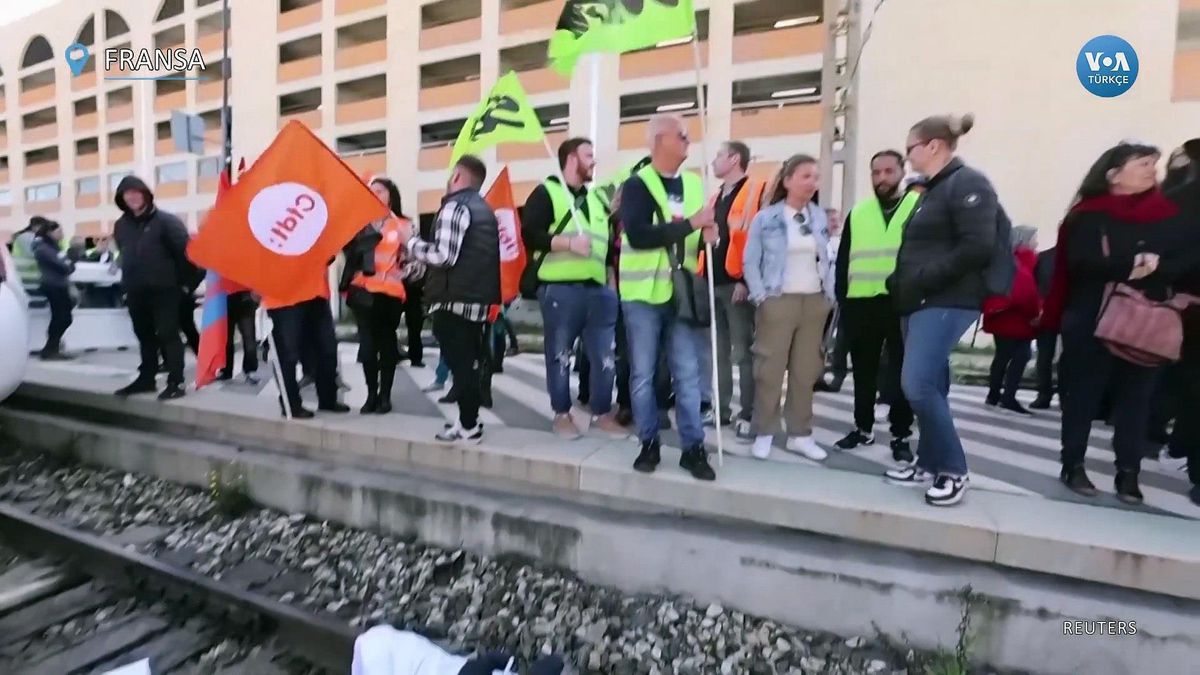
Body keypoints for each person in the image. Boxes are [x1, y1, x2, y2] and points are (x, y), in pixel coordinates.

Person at [1041, 143, 1178, 504]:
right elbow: (1079, 265)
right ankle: (1073, 464)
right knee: (1083, 396)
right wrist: (1132, 266)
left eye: (1154, 163)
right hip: (1091, 316)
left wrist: (1159, 272)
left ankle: (1128, 473)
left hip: (1143, 319)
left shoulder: (1166, 214)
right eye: (1143, 163)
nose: (1152, 169)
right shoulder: (1088, 215)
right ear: (1113, 175)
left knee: (1137, 399)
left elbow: (1178, 263)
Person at [884, 113, 998, 507]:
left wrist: (923, 279)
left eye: (910, 148)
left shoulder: (968, 184)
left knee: (916, 384)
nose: (908, 156)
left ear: (933, 145)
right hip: (919, 300)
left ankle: (953, 469)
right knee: (934, 384)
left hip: (946, 300)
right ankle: (929, 462)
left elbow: (977, 246)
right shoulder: (933, 189)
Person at [619, 114, 718, 481]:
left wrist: (711, 234)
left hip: (681, 295)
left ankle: (693, 448)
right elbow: (639, 235)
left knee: (688, 374)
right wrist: (692, 224)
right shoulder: (637, 185)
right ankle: (648, 442)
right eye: (682, 135)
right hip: (643, 295)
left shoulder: (694, 184)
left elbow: (700, 231)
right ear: (660, 140)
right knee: (643, 375)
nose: (689, 141)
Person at [521, 137, 624, 438]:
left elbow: (604, 249)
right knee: (560, 355)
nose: (594, 161)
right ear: (570, 159)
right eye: (588, 155)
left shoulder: (596, 201)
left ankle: (602, 412)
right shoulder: (547, 193)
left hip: (599, 292)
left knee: (605, 358)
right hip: (560, 289)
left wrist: (611, 288)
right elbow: (530, 234)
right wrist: (567, 243)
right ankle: (562, 414)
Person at [741, 154, 836, 462]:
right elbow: (750, 260)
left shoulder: (819, 216)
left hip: (813, 301)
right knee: (769, 369)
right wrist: (760, 295)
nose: (812, 182)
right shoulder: (766, 218)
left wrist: (829, 294)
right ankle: (765, 430)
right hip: (778, 300)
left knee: (805, 370)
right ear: (788, 181)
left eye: (816, 177)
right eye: (806, 176)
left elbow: (827, 257)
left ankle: (800, 434)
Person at [401, 154, 500, 443]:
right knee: (466, 363)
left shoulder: (455, 207)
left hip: (454, 301)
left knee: (461, 365)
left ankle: (469, 426)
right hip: (475, 300)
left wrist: (411, 242)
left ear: (457, 176)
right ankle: (467, 421)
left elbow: (444, 256)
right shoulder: (484, 209)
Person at [832, 150, 918, 463]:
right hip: (861, 303)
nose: (881, 178)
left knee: (901, 372)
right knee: (864, 372)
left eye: (888, 171)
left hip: (901, 303)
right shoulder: (859, 212)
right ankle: (863, 427)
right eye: (876, 173)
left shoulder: (916, 208)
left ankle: (900, 434)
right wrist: (843, 300)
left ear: (902, 172)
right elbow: (844, 261)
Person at [701, 141, 765, 437]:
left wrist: (746, 281)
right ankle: (721, 409)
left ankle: (748, 412)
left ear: (735, 159)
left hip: (737, 284)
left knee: (743, 352)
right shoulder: (715, 197)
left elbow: (757, 240)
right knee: (719, 352)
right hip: (713, 280)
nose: (714, 162)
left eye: (718, 155)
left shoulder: (755, 190)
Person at [111, 175, 192, 400]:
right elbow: (125, 255)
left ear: (146, 195)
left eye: (137, 192)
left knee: (168, 334)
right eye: (128, 194)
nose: (133, 197)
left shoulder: (166, 221)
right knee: (144, 335)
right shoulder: (121, 226)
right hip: (136, 291)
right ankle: (146, 378)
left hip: (166, 290)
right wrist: (126, 288)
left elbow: (189, 256)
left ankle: (176, 382)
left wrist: (186, 286)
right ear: (122, 199)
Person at [342, 177, 419, 415]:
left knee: (387, 346)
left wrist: (404, 268)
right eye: (371, 190)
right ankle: (371, 394)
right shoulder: (358, 224)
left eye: (380, 191)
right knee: (367, 348)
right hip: (363, 293)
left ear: (391, 195)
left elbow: (417, 263)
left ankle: (385, 396)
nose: (375, 194)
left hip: (390, 294)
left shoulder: (404, 225)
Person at [264, 263, 348, 419]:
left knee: (327, 349)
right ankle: (291, 404)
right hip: (284, 297)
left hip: (316, 294)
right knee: (288, 354)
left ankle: (328, 399)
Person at [982, 226, 1041, 415]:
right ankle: (1008, 397)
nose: (1036, 243)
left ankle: (993, 395)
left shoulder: (1002, 259)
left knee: (1001, 356)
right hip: (1019, 320)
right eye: (1034, 239)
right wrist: (1035, 315)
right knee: (1021, 357)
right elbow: (1026, 291)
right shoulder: (1026, 259)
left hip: (1000, 317)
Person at [31, 219, 75, 360]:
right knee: (62, 317)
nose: (62, 234)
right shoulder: (44, 248)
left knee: (62, 317)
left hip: (58, 285)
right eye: (59, 231)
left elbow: (67, 264)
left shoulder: (53, 247)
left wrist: (68, 263)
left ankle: (51, 348)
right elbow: (65, 266)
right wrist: (69, 263)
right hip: (53, 286)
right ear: (50, 232)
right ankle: (51, 349)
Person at [1030, 242, 1058, 409]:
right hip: (1051, 310)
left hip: (1051, 309)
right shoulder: (1045, 257)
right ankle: (1045, 393)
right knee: (1045, 355)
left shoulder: (1045, 257)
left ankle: (1044, 394)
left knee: (1045, 355)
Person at [218, 289, 259, 383]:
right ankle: (226, 369)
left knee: (249, 338)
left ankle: (250, 369)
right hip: (228, 298)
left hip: (244, 299)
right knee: (227, 339)